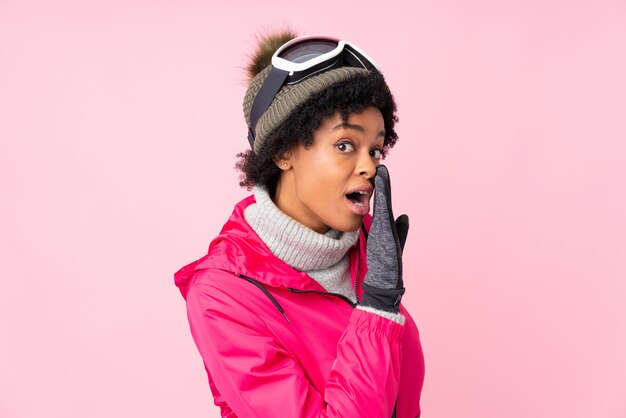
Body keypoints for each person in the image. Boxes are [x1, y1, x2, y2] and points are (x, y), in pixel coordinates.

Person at [174, 30, 425, 417]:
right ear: (283, 151)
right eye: (345, 145)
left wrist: (381, 294)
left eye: (375, 149)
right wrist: (376, 309)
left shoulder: (371, 253)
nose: (370, 167)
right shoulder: (222, 296)